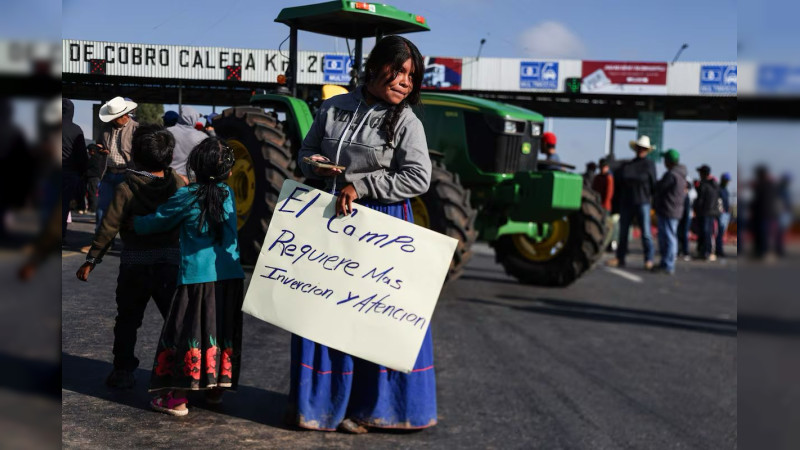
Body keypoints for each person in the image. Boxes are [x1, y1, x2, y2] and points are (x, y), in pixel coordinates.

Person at [295, 35, 435, 433]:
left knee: (371, 317)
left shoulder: (408, 122)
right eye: (399, 71)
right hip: (330, 222)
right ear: (375, 67)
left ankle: (373, 409)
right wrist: (315, 166)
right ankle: (319, 407)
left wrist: (361, 185)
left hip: (381, 226)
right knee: (323, 313)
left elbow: (418, 177)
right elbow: (304, 152)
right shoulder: (333, 108)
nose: (405, 81)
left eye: (412, 75)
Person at [134, 137, 244, 416]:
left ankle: (178, 398)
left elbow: (154, 223)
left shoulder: (188, 195)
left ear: (193, 167)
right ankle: (214, 391)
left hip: (197, 278)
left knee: (190, 333)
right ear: (228, 173)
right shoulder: (228, 194)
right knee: (220, 331)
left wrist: (130, 220)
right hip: (230, 277)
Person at [75, 125, 185, 388]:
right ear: (169, 157)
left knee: (127, 320)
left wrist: (91, 260)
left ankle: (123, 370)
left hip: (135, 264)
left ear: (134, 156)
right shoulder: (178, 184)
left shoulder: (125, 188)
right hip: (170, 264)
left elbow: (108, 227)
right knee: (174, 321)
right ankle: (179, 371)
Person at [607, 136, 657, 269]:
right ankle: (620, 258)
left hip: (643, 202)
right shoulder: (628, 165)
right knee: (623, 232)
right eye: (639, 148)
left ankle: (649, 259)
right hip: (627, 202)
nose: (641, 150)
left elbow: (653, 185)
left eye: (643, 148)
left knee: (646, 233)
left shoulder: (649, 165)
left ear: (647, 150)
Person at [94, 96, 139, 235]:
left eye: (116, 117)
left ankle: (128, 241)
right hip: (108, 174)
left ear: (125, 115)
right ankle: (101, 242)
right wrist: (100, 148)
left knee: (128, 210)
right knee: (102, 209)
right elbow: (99, 142)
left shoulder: (136, 129)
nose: (113, 120)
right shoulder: (106, 128)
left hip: (127, 175)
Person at [653, 149, 687, 274]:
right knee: (669, 237)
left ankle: (668, 265)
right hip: (674, 210)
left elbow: (660, 188)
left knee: (669, 238)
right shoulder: (681, 174)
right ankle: (666, 263)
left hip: (668, 210)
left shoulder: (671, 175)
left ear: (669, 161)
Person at [62, 98, 88, 237]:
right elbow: (81, 155)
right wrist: (84, 172)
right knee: (63, 206)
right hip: (69, 174)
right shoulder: (76, 130)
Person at [166, 106, 208, 185]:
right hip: (191, 180)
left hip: (169, 177)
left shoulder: (167, 132)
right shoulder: (202, 137)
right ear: (195, 118)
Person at [693, 165, 720, 261]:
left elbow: (701, 198)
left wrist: (696, 208)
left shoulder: (706, 184)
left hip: (706, 211)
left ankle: (707, 252)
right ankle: (703, 251)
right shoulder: (714, 184)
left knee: (706, 232)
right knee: (705, 232)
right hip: (709, 211)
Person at [715, 172, 732, 258]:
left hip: (726, 214)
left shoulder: (725, 190)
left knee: (722, 232)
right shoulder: (719, 189)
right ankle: (719, 250)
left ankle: (719, 249)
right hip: (721, 213)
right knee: (720, 232)